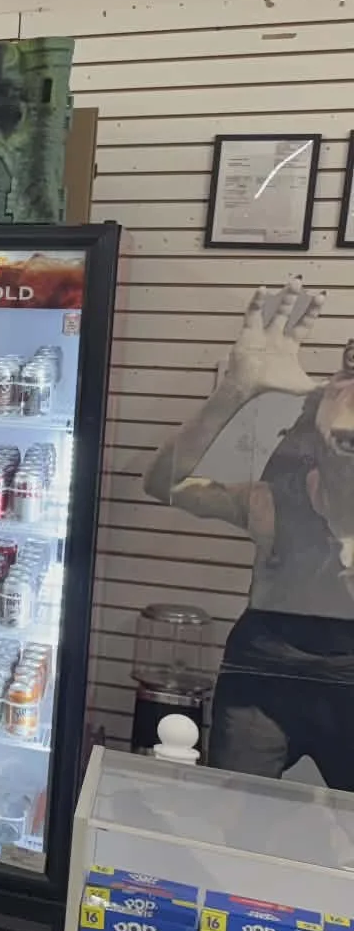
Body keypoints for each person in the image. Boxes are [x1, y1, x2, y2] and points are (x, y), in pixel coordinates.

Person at [142, 281, 354, 787]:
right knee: (233, 811)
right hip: (264, 674)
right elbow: (163, 483)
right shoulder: (272, 499)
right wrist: (237, 390)